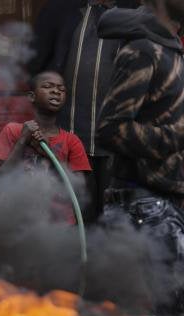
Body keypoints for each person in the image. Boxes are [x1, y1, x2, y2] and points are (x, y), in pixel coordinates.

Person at [97, 0, 184, 316]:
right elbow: (111, 129)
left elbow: (158, 132)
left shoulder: (173, 51)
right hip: (143, 209)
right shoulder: (143, 50)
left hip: (161, 208)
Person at [28, 0, 142, 222]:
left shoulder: (136, 13)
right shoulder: (59, 10)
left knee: (116, 222)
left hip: (117, 145)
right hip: (68, 139)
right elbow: (34, 66)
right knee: (74, 217)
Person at [0, 71, 92, 222]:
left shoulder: (72, 141)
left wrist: (47, 153)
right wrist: (23, 140)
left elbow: (78, 189)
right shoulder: (13, 131)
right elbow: (1, 178)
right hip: (16, 221)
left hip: (58, 225)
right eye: (47, 86)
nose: (56, 91)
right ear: (31, 96)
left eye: (61, 89)